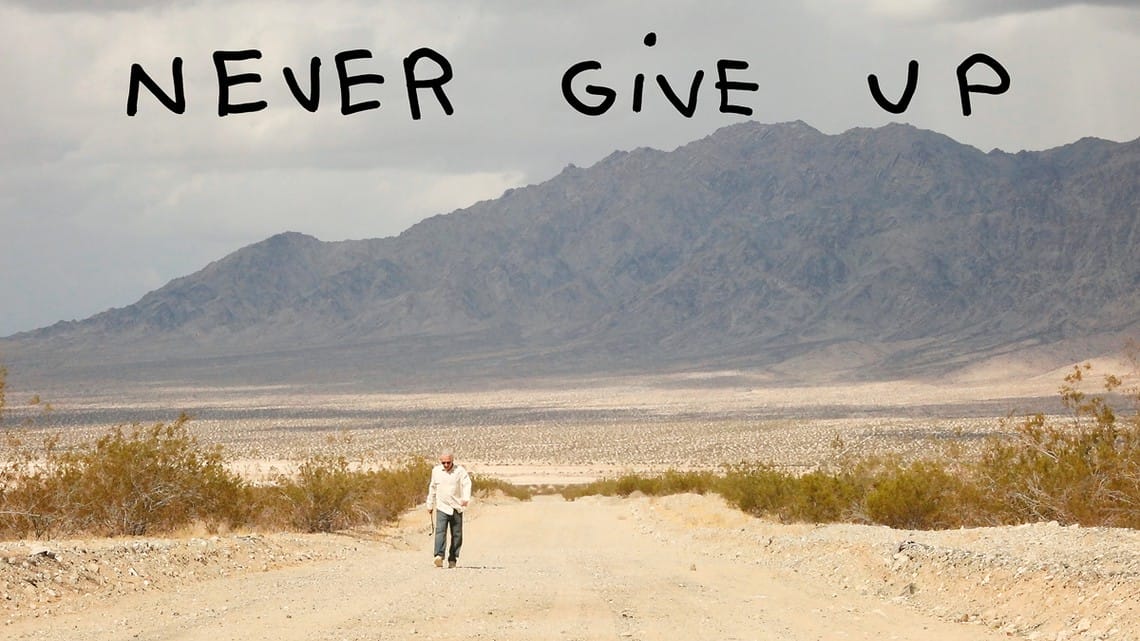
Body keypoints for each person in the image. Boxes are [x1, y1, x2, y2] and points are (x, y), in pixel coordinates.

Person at [425, 450, 472, 568]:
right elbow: (432, 487)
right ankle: (439, 556)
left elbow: (467, 484)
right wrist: (430, 504)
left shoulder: (460, 471)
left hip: (456, 507)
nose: (446, 465)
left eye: (448, 462)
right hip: (442, 506)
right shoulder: (436, 471)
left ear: (452, 461)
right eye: (444, 463)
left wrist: (466, 498)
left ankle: (453, 558)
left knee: (457, 534)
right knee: (440, 531)